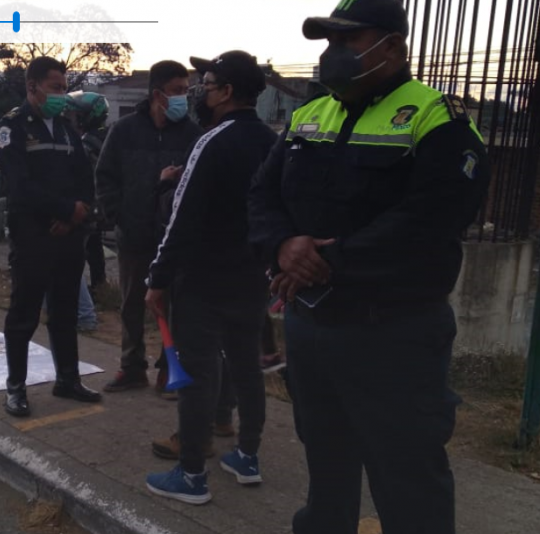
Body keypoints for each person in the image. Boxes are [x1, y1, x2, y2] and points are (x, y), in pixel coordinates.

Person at [247, 1, 490, 532]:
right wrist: (283, 244)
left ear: (394, 48)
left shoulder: (434, 116)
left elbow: (434, 215)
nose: (334, 55)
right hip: (313, 326)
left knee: (406, 474)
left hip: (394, 335)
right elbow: (262, 195)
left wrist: (328, 261)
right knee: (326, 460)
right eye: (329, 43)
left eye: (349, 41)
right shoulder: (311, 113)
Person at [143, 50, 276, 505]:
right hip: (251, 279)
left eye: (209, 83)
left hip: (203, 280)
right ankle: (247, 456)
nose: (201, 91)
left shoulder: (213, 141)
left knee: (197, 375)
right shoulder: (271, 142)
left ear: (228, 93)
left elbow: (182, 217)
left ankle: (192, 473)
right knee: (245, 367)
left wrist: (157, 278)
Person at [0, 56, 101, 418]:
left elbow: (86, 179)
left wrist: (76, 214)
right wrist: (65, 210)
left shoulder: (68, 129)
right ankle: (16, 388)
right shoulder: (13, 127)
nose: (61, 94)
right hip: (33, 235)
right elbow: (20, 186)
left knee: (65, 310)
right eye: (55, 88)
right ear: (32, 87)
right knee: (24, 312)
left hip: (68, 236)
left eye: (64, 87)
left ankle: (67, 379)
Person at [96, 60, 204, 394]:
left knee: (173, 304)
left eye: (186, 91)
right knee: (131, 302)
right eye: (176, 92)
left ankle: (167, 367)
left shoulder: (192, 134)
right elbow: (105, 176)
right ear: (157, 94)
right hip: (134, 235)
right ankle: (132, 366)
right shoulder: (124, 130)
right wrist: (119, 216)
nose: (182, 99)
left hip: (175, 240)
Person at [66, 90, 111, 292]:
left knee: (76, 250)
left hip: (88, 203)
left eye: (75, 115)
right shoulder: (107, 136)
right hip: (101, 202)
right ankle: (100, 285)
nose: (71, 119)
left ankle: (77, 292)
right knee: (95, 246)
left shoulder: (86, 144)